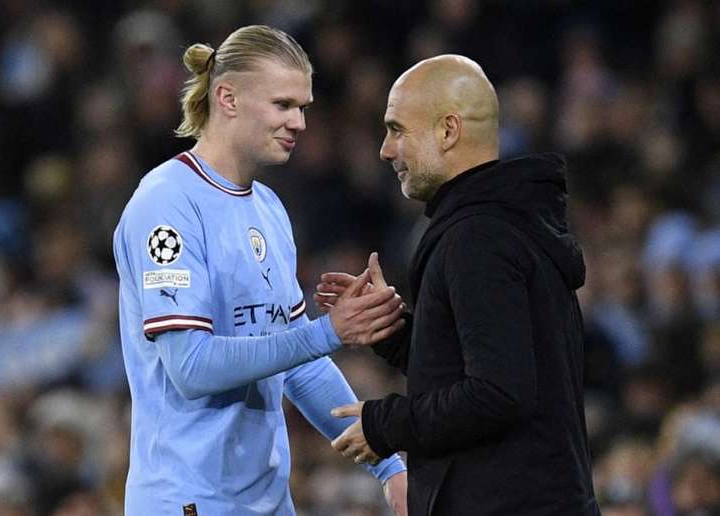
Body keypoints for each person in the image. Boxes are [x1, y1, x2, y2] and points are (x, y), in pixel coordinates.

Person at [112, 25, 408, 516]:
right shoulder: (166, 203)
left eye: (303, 108)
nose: (299, 123)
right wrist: (327, 332)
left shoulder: (268, 207)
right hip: (187, 500)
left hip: (267, 501)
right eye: (283, 105)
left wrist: (388, 467)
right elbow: (189, 367)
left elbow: (302, 365)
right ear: (227, 98)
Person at [316, 55, 601, 515]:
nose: (386, 150)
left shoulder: (478, 237)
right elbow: (475, 369)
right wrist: (393, 331)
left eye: (397, 129)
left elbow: (499, 393)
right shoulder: (503, 225)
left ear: (448, 131)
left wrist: (387, 424)